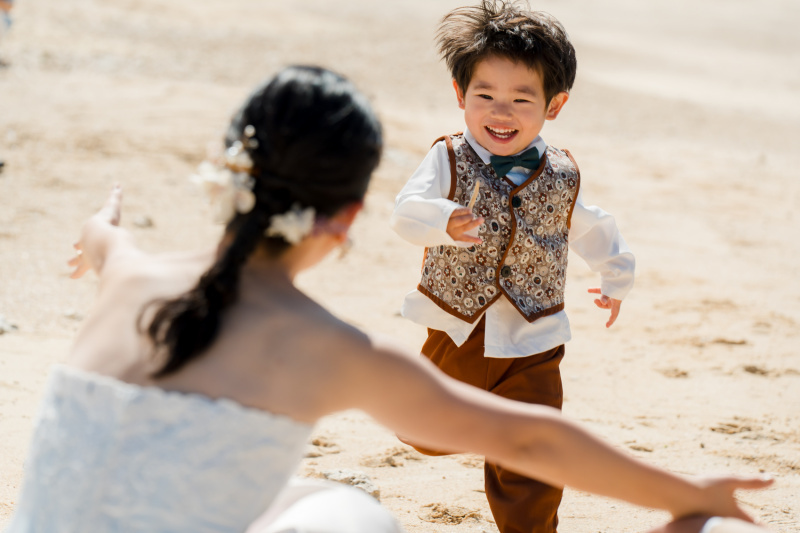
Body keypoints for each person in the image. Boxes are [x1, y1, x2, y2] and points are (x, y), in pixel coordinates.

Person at [4, 65, 771, 533]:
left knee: (300, 492)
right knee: (354, 514)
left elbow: (102, 238)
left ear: (229, 176)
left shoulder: (128, 272)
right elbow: (531, 441)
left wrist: (103, 220)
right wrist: (691, 493)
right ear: (346, 219)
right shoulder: (329, 349)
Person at [389, 2, 635, 531]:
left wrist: (615, 276)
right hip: (462, 327)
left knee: (536, 450)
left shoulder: (562, 172)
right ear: (460, 95)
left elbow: (591, 226)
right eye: (485, 96)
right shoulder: (448, 158)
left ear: (554, 105)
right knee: (426, 429)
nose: (501, 113)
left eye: (522, 100)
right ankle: (455, 423)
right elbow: (406, 212)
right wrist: (442, 218)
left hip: (534, 335)